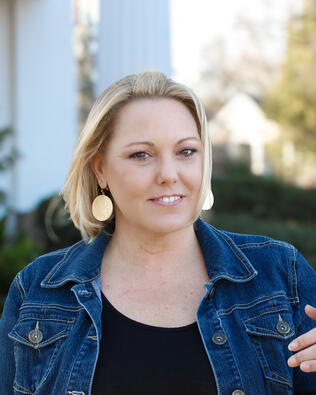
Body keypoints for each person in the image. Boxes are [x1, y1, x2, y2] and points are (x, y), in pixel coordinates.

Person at [0, 71, 316, 395]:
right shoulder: (37, 292)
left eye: (186, 151)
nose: (168, 174)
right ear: (100, 169)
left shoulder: (279, 275)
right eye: (141, 155)